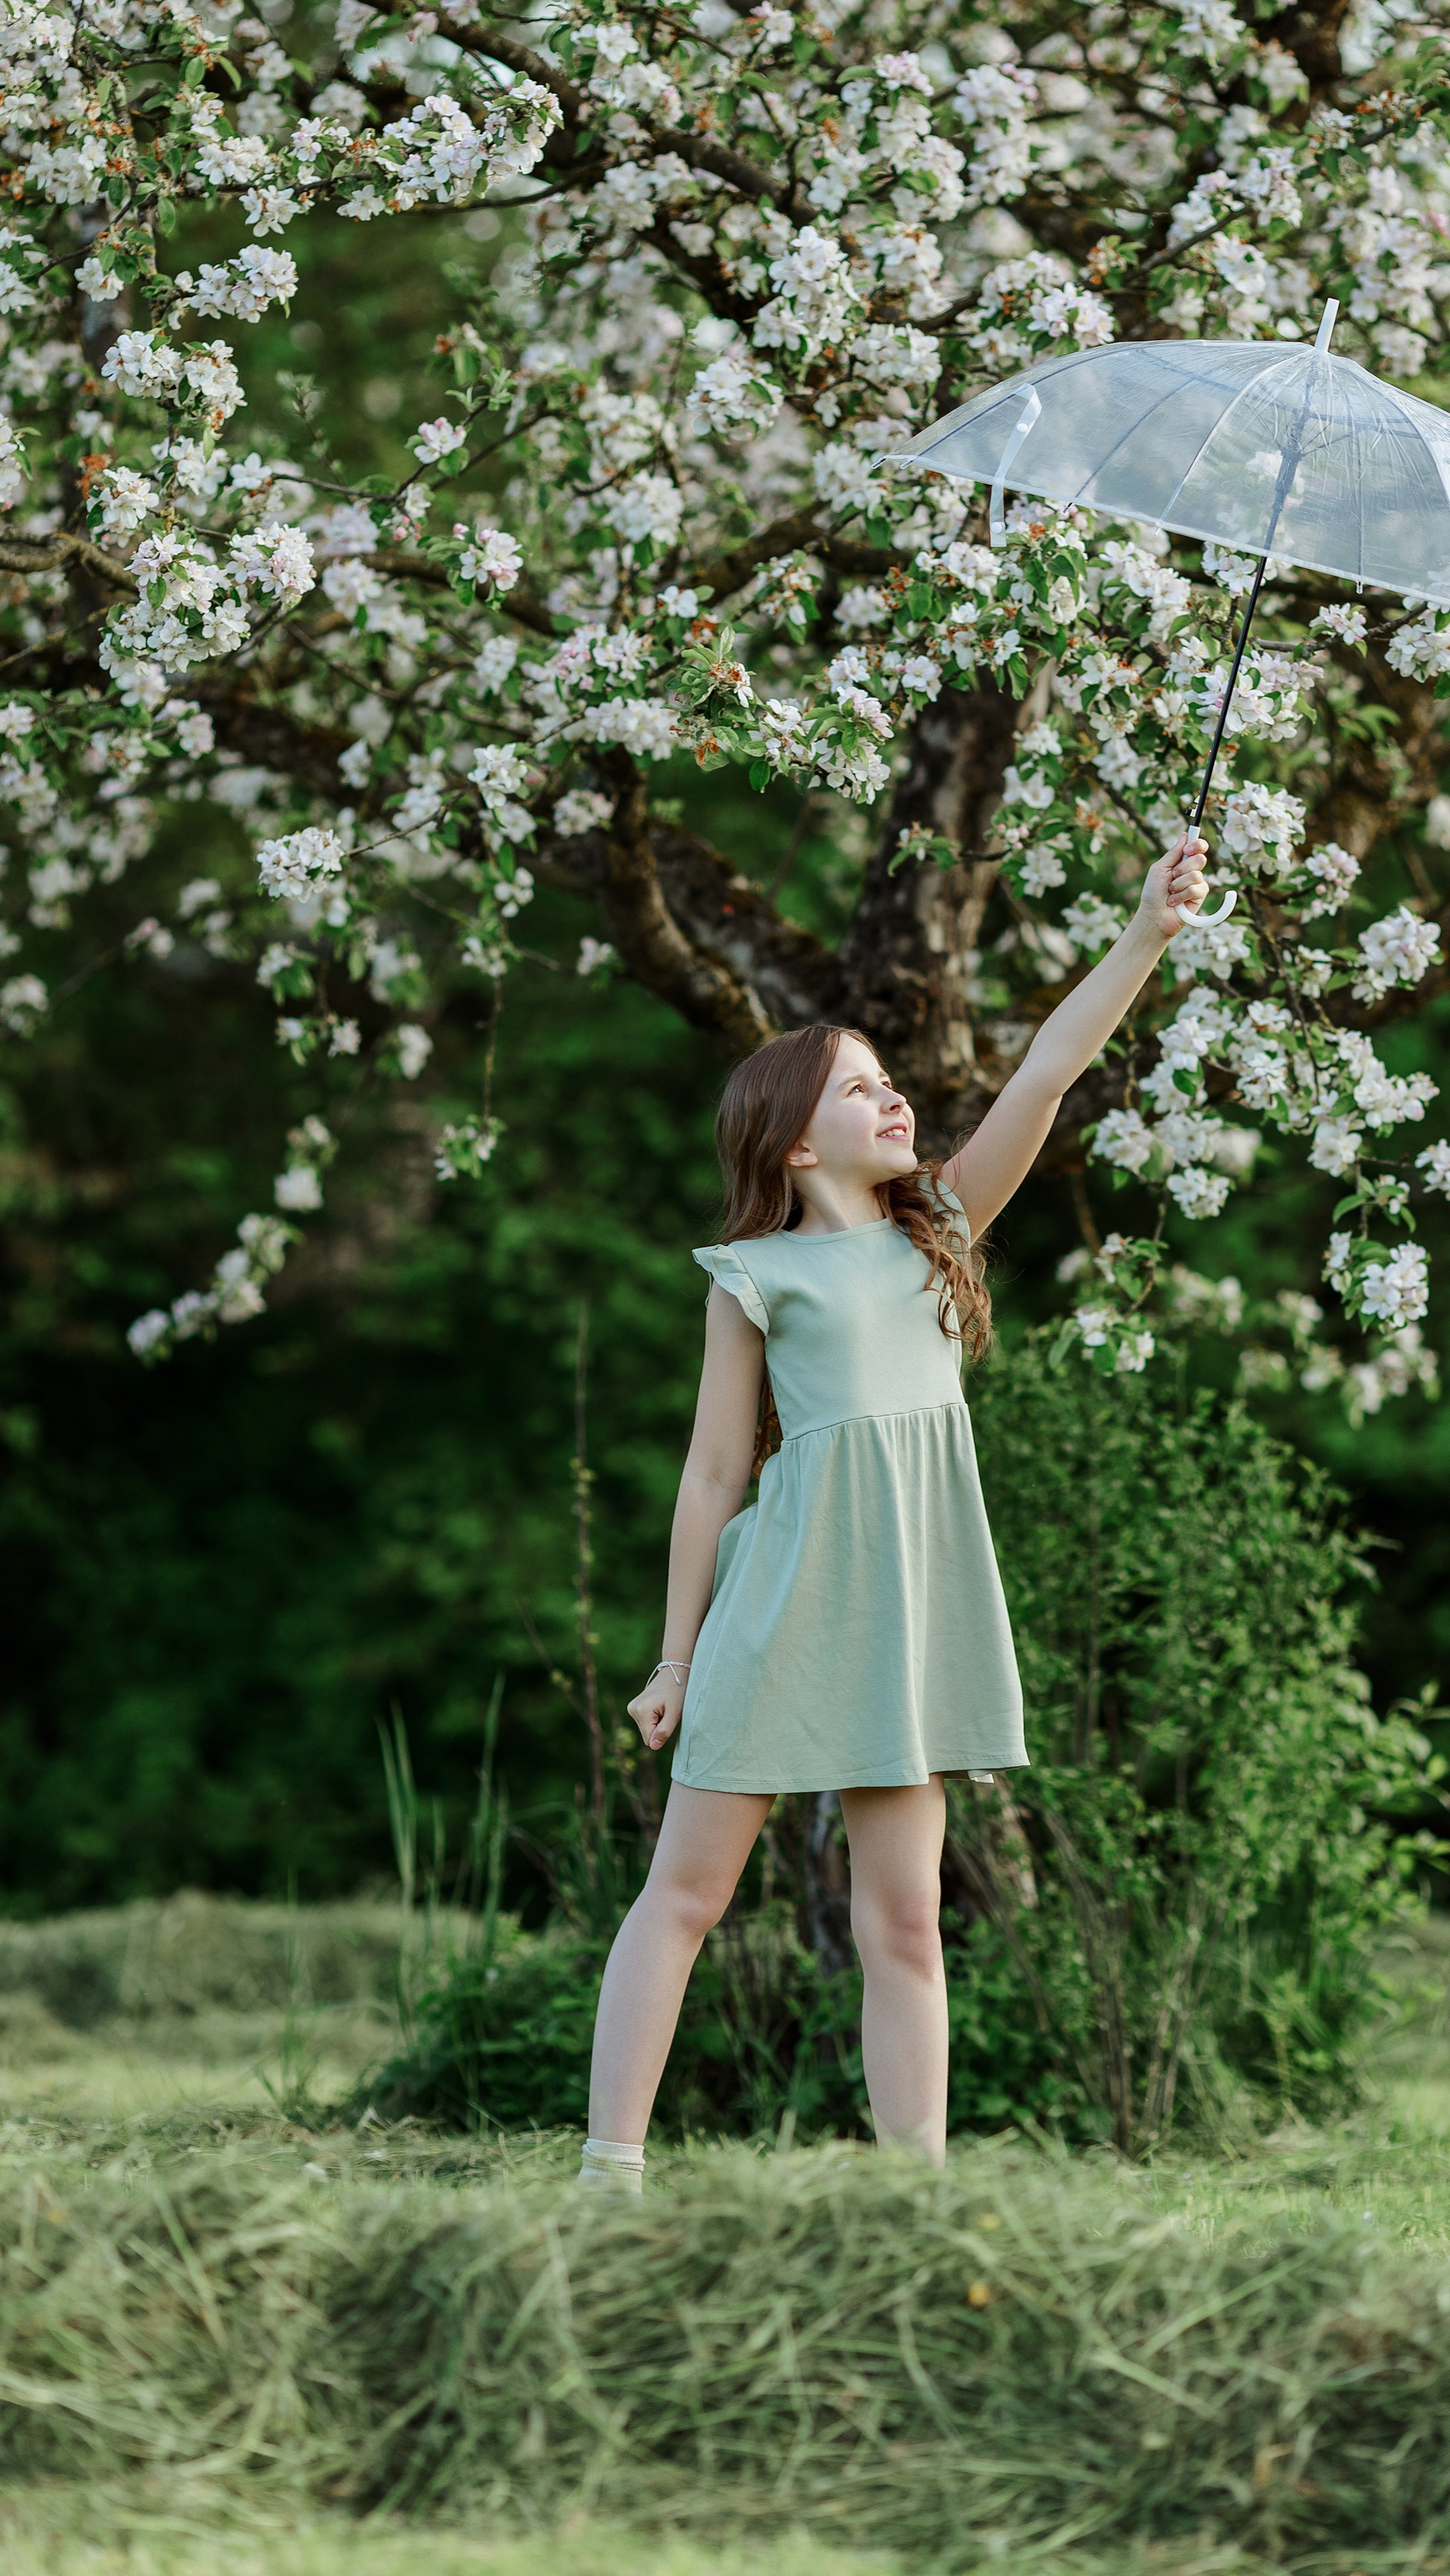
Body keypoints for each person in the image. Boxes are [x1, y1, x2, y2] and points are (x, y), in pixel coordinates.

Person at [576, 829, 1210, 2191]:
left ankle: (910, 2192)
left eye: (890, 1081)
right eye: (863, 1092)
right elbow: (710, 1476)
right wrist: (676, 1656)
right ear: (798, 1140)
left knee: (906, 1923)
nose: (897, 1100)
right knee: (686, 1898)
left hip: (905, 1616)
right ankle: (608, 2172)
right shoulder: (752, 1276)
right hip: (778, 1608)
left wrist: (1147, 934)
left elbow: (1046, 1069)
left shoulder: (943, 1233)